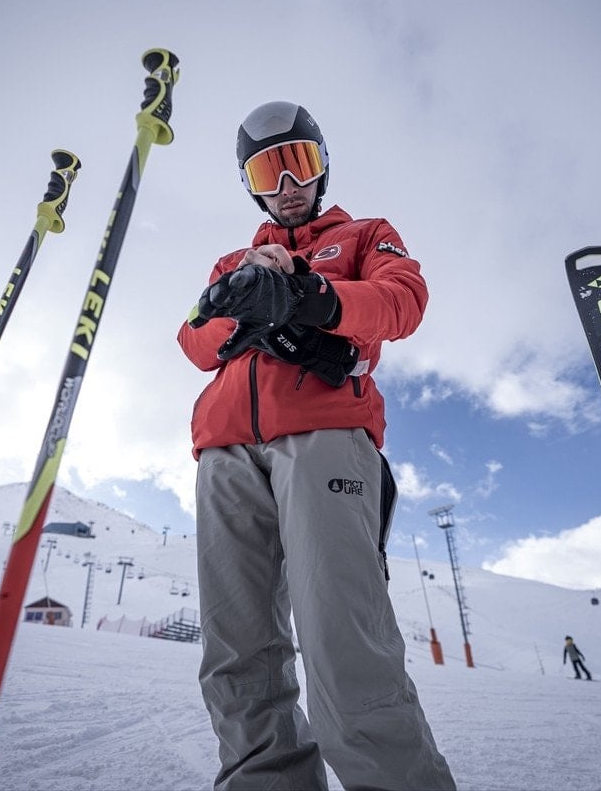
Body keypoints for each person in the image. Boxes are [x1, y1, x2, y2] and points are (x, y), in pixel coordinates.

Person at [178, 101, 455, 791]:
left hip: (323, 436)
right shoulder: (233, 260)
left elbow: (402, 302)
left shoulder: (365, 235)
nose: (286, 184)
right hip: (224, 452)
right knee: (236, 648)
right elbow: (193, 340)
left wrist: (310, 297)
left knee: (341, 636)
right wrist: (239, 296)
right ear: (250, 185)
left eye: (298, 162)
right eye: (266, 171)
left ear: (321, 164)